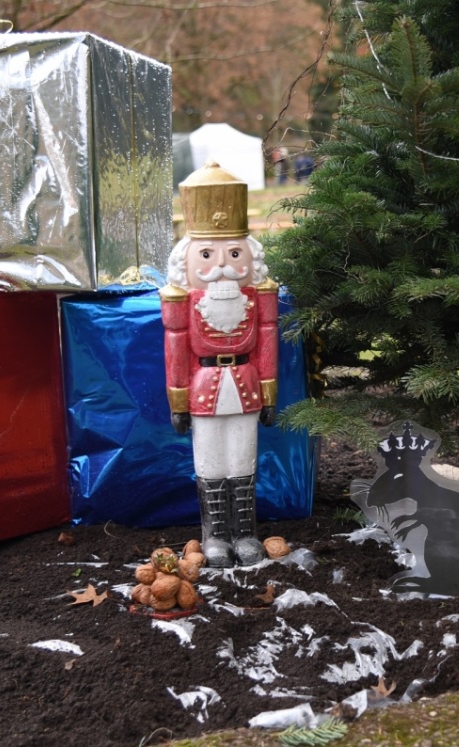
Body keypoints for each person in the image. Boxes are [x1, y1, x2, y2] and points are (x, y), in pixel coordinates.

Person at [160, 161, 278, 567]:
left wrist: (269, 394)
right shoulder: (183, 303)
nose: (222, 266)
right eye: (207, 255)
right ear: (188, 261)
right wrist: (178, 402)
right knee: (210, 463)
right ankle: (215, 536)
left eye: (234, 254)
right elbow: (176, 350)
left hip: (245, 387)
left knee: (243, 460)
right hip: (204, 391)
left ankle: (245, 532)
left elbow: (267, 344)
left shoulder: (257, 300)